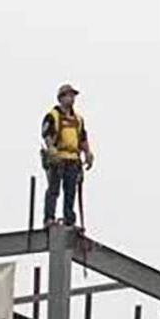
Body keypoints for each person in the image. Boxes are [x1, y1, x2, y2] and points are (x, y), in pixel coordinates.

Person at [41, 83, 94, 227]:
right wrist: (51, 149)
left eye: (73, 96)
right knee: (54, 190)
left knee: (70, 192)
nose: (72, 98)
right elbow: (47, 135)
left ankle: (69, 219)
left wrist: (88, 153)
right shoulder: (53, 115)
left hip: (73, 160)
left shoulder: (78, 119)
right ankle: (49, 218)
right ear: (61, 98)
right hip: (58, 159)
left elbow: (82, 138)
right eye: (69, 95)